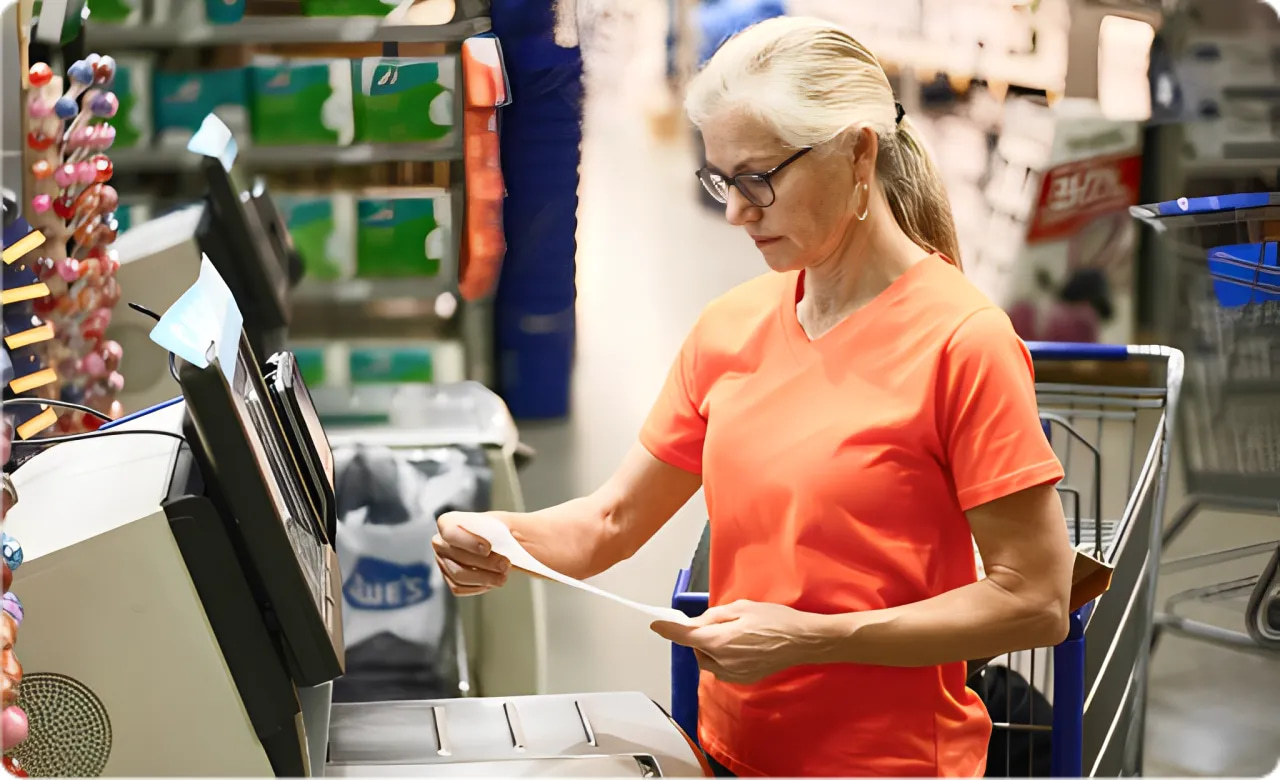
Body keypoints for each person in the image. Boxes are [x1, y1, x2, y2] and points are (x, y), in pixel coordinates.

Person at [434, 15, 1075, 778]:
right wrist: (502, 537)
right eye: (720, 181)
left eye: (757, 179)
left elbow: (1035, 598)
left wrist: (813, 638)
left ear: (857, 154)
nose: (736, 212)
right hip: (733, 754)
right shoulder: (730, 329)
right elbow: (610, 521)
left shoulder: (962, 342)